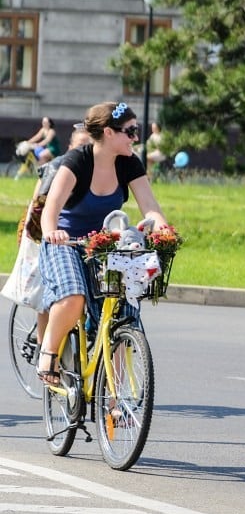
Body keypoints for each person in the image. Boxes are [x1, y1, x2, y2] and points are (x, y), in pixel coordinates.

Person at [36, 101, 169, 388]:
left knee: (121, 315)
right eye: (130, 131)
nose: (135, 137)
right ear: (108, 133)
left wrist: (164, 230)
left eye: (137, 130)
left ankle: (113, 399)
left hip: (105, 246)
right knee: (73, 297)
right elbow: (51, 210)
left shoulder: (129, 163)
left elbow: (150, 207)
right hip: (66, 243)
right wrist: (52, 232)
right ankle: (48, 352)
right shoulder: (77, 161)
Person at [16, 124, 95, 347]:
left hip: (82, 240)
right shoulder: (58, 168)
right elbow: (38, 205)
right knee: (46, 294)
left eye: (90, 145)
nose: (86, 150)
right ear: (70, 147)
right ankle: (45, 350)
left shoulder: (96, 170)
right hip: (49, 235)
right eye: (82, 145)